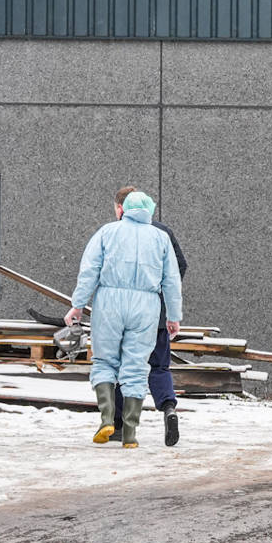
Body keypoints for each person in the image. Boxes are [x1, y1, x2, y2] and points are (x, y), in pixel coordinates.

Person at [67, 189, 183, 447]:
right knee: (136, 366)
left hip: (109, 302)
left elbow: (89, 271)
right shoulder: (160, 237)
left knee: (105, 360)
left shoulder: (107, 232)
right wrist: (173, 316)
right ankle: (129, 435)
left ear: (124, 208)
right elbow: (172, 280)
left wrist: (77, 305)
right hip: (147, 306)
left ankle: (108, 419)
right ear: (149, 210)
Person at [119, 185, 188, 447]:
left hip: (124, 313)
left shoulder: (114, 233)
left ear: (123, 208)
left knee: (123, 366)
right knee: (159, 366)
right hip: (156, 313)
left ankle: (119, 425)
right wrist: (163, 293)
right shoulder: (163, 232)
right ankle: (169, 408)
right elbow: (180, 265)